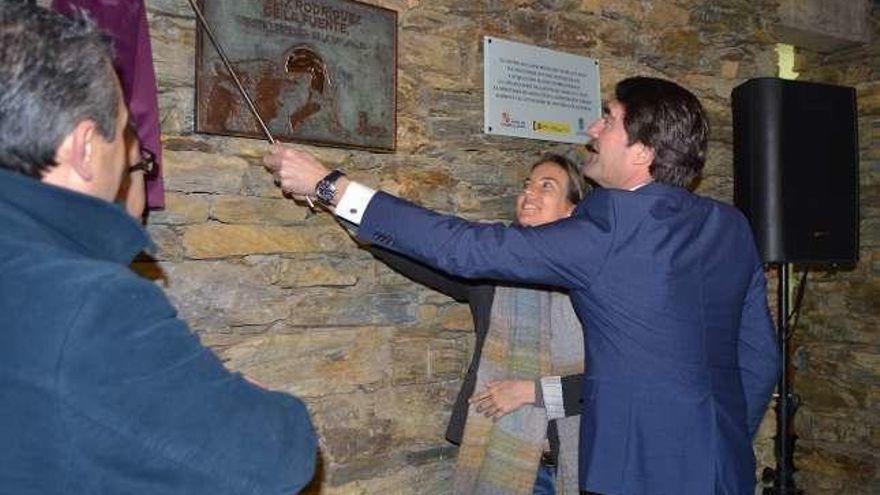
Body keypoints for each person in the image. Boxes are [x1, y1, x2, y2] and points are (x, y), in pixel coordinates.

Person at [264, 76, 781, 494]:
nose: (593, 129)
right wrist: (723, 435)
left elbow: (464, 248)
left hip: (637, 474)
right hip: (723, 467)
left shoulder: (610, 228)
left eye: (609, 117)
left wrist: (332, 186)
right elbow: (759, 358)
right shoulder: (729, 225)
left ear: (642, 151)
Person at [0, 4, 316, 494]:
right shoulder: (88, 305)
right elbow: (271, 455)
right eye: (125, 128)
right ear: (85, 148)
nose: (132, 149)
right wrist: (258, 405)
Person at [367, 154, 586, 494]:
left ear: (572, 209)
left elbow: (613, 388)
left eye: (547, 186)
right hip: (500, 459)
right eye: (527, 185)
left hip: (577, 463)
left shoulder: (596, 283)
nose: (529, 193)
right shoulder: (491, 267)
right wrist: (361, 223)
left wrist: (533, 392)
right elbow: (424, 255)